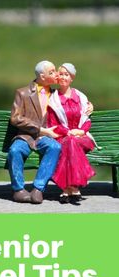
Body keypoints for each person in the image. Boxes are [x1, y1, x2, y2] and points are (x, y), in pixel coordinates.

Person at [8, 60, 61, 204]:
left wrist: (88, 105)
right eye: (52, 72)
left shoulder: (57, 94)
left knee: (55, 147)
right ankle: (18, 190)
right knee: (15, 151)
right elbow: (15, 118)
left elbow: (74, 102)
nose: (56, 74)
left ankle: (38, 188)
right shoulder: (23, 93)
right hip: (26, 135)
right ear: (42, 76)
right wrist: (39, 129)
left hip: (46, 138)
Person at [47, 63, 96, 203]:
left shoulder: (81, 97)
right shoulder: (54, 100)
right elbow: (53, 124)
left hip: (82, 137)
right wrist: (68, 132)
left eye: (66, 74)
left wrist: (81, 130)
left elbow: (87, 119)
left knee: (72, 143)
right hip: (63, 137)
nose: (63, 77)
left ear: (72, 78)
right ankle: (73, 188)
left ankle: (66, 188)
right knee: (70, 143)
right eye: (60, 74)